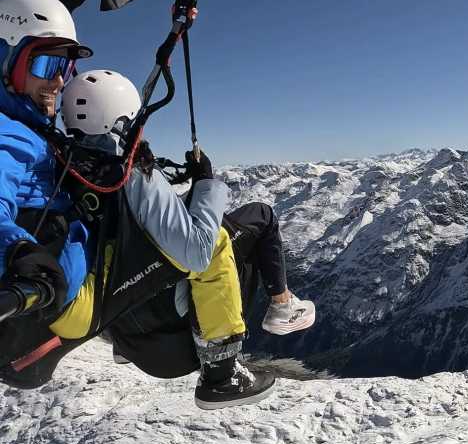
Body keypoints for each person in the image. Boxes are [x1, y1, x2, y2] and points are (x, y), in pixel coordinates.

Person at [59, 69, 315, 409]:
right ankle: (277, 313)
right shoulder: (133, 175)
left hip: (131, 333)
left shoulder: (72, 171)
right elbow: (196, 252)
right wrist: (206, 184)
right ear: (122, 118)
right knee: (261, 217)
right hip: (172, 334)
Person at [0, 0, 92, 323]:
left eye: (65, 67)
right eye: (46, 63)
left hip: (59, 281)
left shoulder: (31, 125)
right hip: (51, 296)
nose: (57, 80)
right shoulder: (8, 132)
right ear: (5, 62)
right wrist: (17, 251)